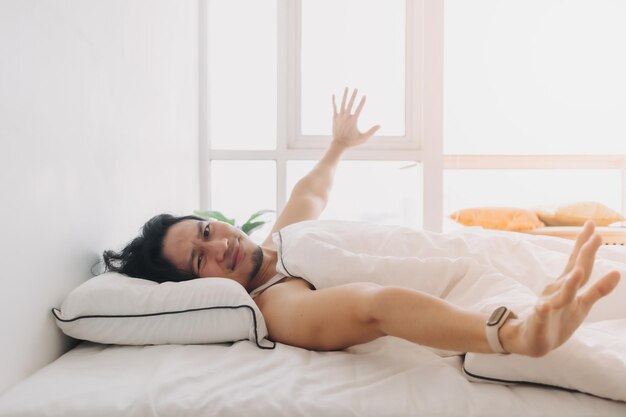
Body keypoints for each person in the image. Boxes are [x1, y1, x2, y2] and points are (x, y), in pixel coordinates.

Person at [103, 87, 621, 357]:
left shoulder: (276, 241)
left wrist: (337, 145)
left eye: (207, 231)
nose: (219, 246)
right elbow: (375, 307)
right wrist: (510, 336)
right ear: (198, 290)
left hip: (497, 252)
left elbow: (311, 193)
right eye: (200, 259)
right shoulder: (279, 305)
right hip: (499, 299)